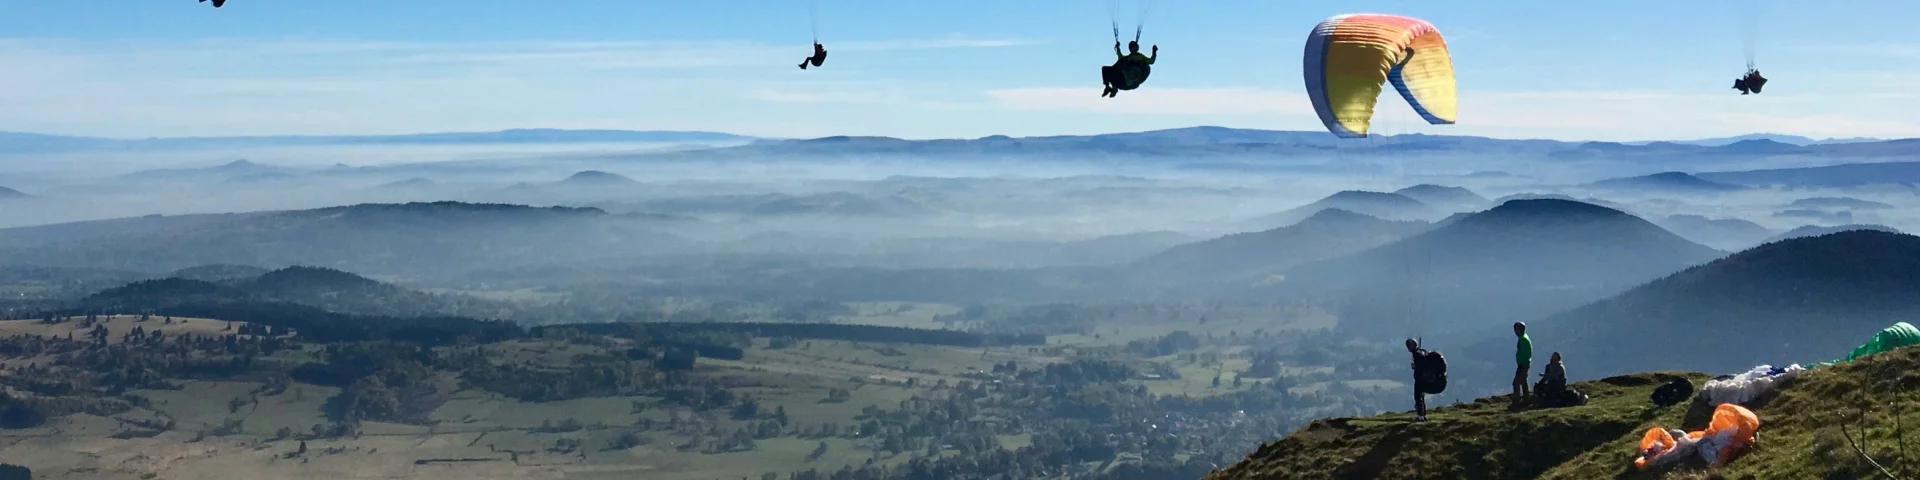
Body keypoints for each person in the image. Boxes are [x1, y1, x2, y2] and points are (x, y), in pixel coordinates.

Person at [1407, 338, 1429, 422]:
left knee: (1418, 397)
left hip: (1420, 379)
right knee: (1421, 397)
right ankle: (1423, 414)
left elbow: (1420, 367)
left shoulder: (1417, 354)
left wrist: (1414, 367)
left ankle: (1420, 416)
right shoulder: (1420, 353)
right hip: (1422, 379)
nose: (1409, 348)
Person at [1512, 322, 1532, 405]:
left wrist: (1522, 362)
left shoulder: (1523, 339)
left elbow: (1526, 352)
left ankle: (1518, 400)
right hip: (1523, 363)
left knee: (1517, 382)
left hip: (1523, 364)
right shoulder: (1522, 338)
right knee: (1523, 381)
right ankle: (1525, 399)